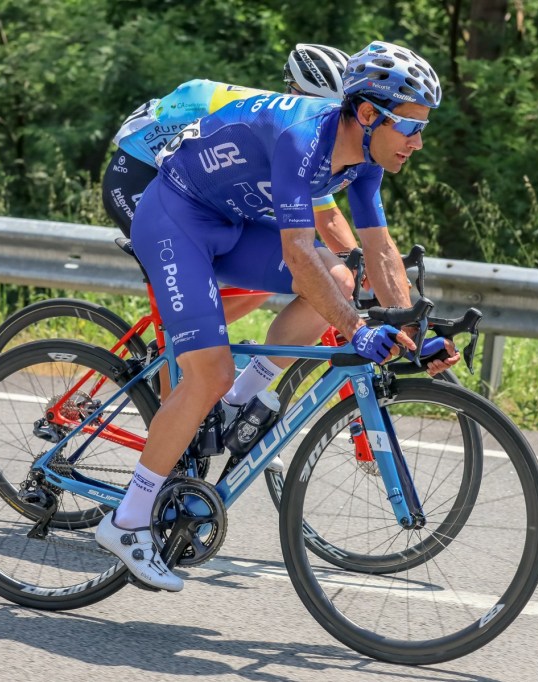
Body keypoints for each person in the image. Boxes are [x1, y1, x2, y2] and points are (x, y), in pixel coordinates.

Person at [95, 41, 460, 592]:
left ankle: (246, 397)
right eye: (409, 126)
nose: (418, 141)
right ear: (367, 115)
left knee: (341, 278)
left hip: (232, 221)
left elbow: (380, 252)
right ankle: (127, 520)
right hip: (175, 216)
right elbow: (296, 253)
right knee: (208, 374)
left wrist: (416, 333)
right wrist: (359, 331)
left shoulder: (363, 161)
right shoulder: (303, 140)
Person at [101, 44, 357, 323]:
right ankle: (176, 349)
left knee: (290, 271)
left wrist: (353, 260)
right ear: (297, 93)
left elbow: (327, 215)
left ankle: (196, 344)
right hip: (138, 174)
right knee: (192, 281)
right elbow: (193, 91)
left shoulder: (308, 137)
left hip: (195, 189)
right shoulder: (271, 119)